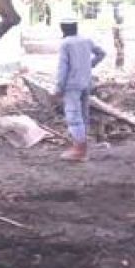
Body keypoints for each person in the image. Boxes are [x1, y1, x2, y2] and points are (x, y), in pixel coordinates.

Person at [52, 17, 106, 163]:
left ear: (63, 28)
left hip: (72, 85)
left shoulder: (66, 44)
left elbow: (62, 68)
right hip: (86, 83)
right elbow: (101, 53)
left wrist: (58, 88)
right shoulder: (86, 40)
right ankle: (82, 147)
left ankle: (79, 151)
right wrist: (90, 65)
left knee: (73, 116)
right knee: (83, 115)